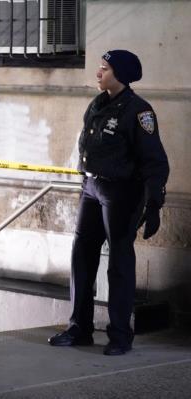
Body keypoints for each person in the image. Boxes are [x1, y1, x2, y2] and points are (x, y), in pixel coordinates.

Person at [48, 50, 169, 355]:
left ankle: (119, 335)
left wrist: (154, 202)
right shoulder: (98, 103)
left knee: (119, 263)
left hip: (122, 192)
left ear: (120, 75)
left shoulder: (139, 111)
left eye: (104, 69)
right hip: (91, 186)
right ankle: (79, 328)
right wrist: (84, 181)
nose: (98, 73)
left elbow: (154, 160)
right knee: (82, 256)